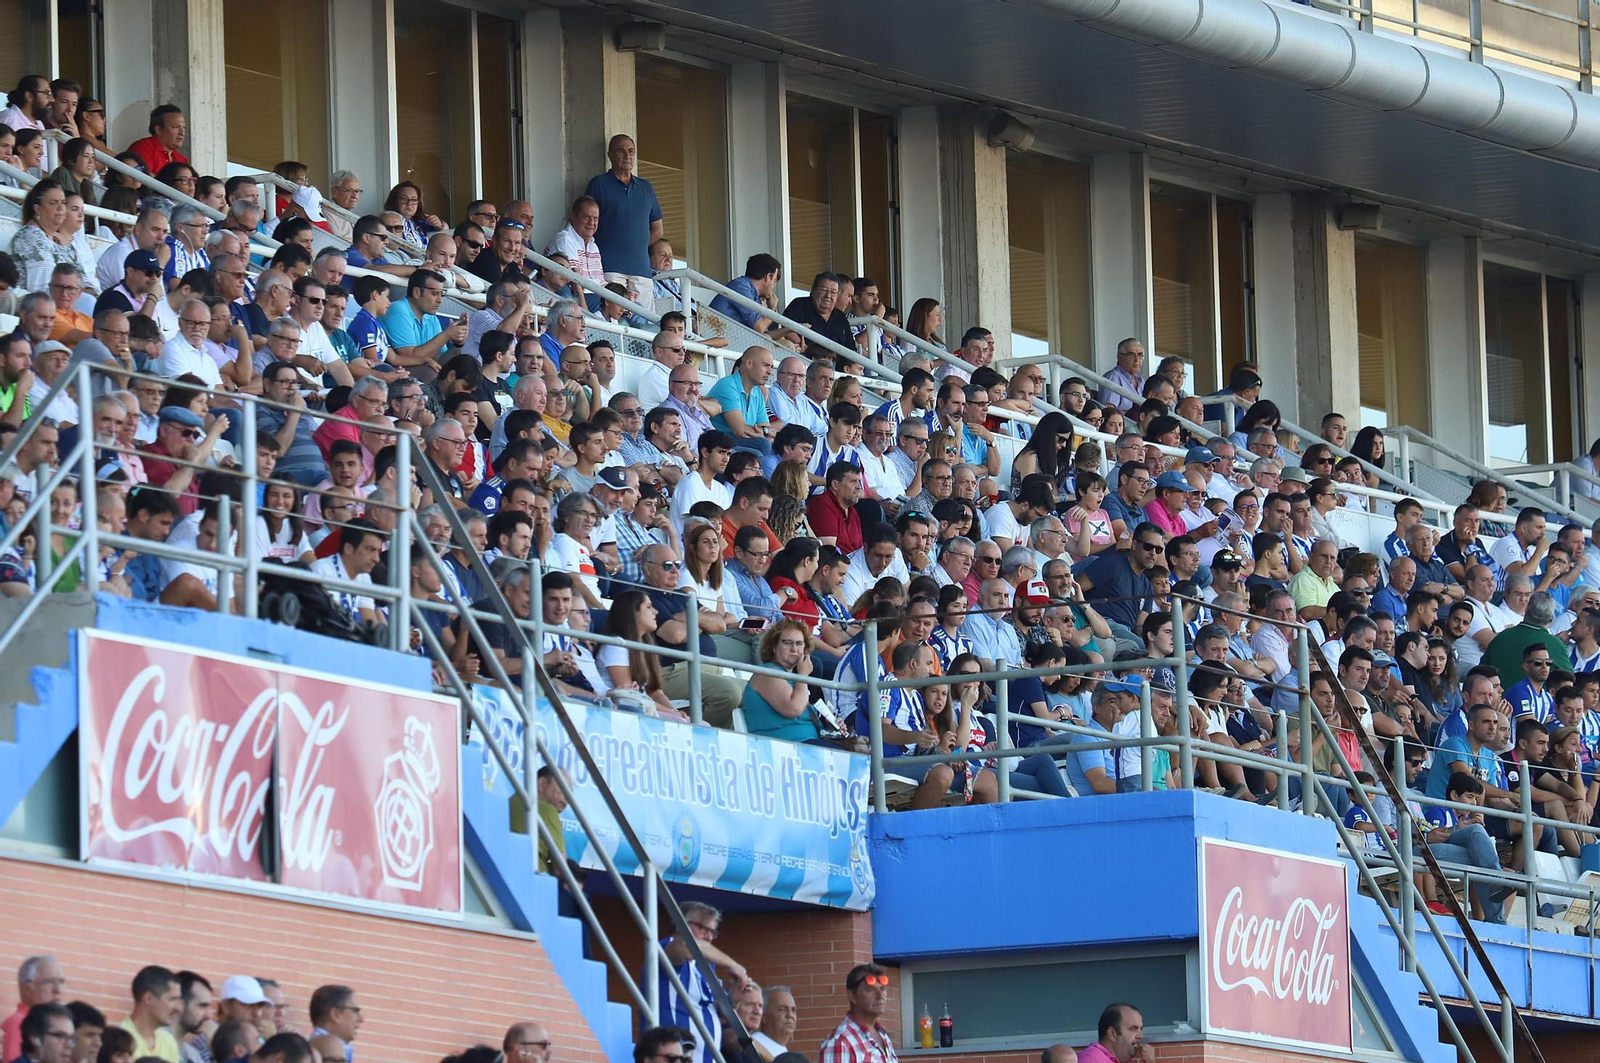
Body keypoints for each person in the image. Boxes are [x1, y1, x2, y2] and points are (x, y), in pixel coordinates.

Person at [656, 901, 747, 1063]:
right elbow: (686, 945)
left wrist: (736, 995)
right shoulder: (667, 946)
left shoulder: (706, 965)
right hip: (675, 1056)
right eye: (702, 928)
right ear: (680, 924)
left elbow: (717, 1007)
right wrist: (732, 964)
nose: (709, 937)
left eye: (713, 932)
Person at [585, 134, 662, 300]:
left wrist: (637, 246)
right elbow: (585, 223)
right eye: (621, 151)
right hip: (609, 267)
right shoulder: (598, 184)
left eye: (631, 151)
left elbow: (657, 229)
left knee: (644, 322)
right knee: (613, 320)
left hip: (641, 269)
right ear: (610, 155)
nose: (627, 156)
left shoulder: (646, 187)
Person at [817, 965, 897, 1063]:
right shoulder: (840, 1042)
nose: (880, 996)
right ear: (852, 996)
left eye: (882, 989)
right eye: (870, 990)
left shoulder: (883, 1036)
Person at [3, 957, 66, 1062]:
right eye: (50, 982)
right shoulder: (19, 1023)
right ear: (27, 988)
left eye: (61, 982)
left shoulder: (55, 1024)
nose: (58, 990)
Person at [119, 967, 181, 1063]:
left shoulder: (169, 1041)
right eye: (172, 999)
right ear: (148, 998)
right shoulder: (119, 1040)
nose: (178, 1008)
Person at [1079, 1004, 1145, 1063]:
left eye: (1140, 1029)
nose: (1140, 1036)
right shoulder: (1092, 1059)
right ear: (1112, 1034)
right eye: (1133, 1029)